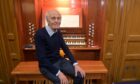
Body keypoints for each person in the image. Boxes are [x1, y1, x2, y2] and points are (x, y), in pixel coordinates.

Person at [35, 10, 85, 84]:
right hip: (46, 65)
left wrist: (75, 64)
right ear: (47, 20)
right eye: (53, 18)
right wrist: (58, 73)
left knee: (80, 75)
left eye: (58, 18)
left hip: (59, 61)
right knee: (61, 81)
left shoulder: (57, 31)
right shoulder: (40, 34)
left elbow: (65, 48)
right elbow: (42, 59)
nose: (56, 21)